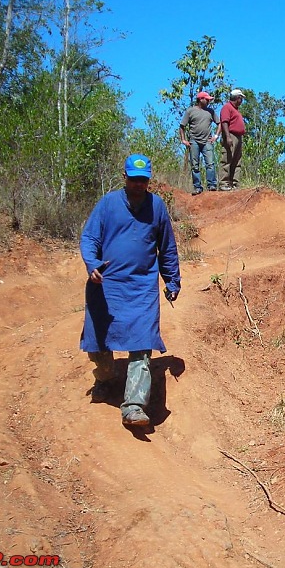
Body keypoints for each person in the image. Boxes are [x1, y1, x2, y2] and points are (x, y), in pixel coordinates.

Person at [79, 154, 181, 427]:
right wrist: (92, 264)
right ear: (124, 177)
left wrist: (172, 281)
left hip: (141, 288)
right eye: (134, 179)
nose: (139, 185)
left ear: (149, 180)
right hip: (106, 285)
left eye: (143, 180)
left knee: (142, 343)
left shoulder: (157, 207)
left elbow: (167, 248)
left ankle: (134, 406)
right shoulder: (108, 205)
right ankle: (104, 378)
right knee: (99, 344)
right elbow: (89, 238)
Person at [179, 91, 221, 195]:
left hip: (207, 141)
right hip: (194, 141)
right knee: (195, 165)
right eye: (206, 99)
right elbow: (182, 126)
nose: (208, 101)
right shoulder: (190, 111)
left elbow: (219, 123)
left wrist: (216, 136)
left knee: (210, 164)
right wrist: (183, 140)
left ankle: (212, 185)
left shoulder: (211, 111)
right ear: (200, 99)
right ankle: (197, 187)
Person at [218, 88, 246, 191]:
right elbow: (224, 122)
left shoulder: (236, 110)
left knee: (237, 161)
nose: (241, 101)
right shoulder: (227, 107)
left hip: (238, 137)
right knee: (227, 159)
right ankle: (224, 183)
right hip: (231, 135)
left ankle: (234, 183)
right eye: (241, 98)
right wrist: (228, 136)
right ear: (237, 98)